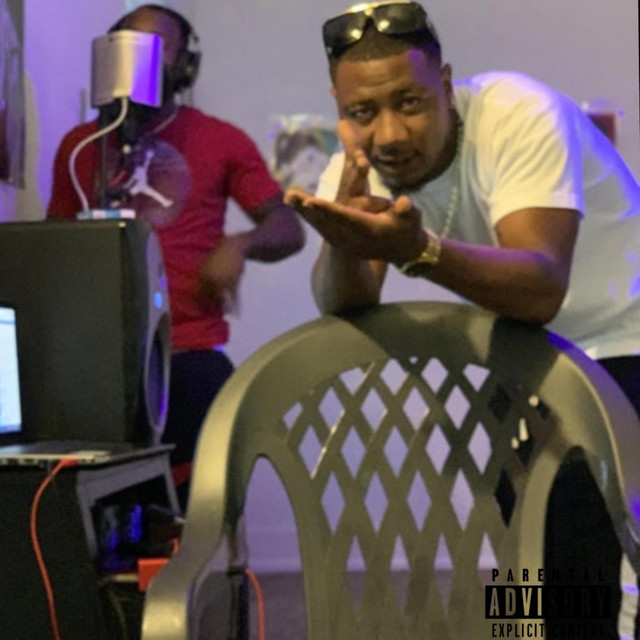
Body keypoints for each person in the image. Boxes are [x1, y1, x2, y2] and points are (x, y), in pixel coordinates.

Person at [285, 1, 640, 638]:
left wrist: (418, 252)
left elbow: (541, 285)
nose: (390, 134)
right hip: (529, 364)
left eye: (410, 102)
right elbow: (344, 303)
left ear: (445, 85)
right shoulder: (360, 164)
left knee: (577, 555)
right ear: (340, 107)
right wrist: (344, 240)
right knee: (520, 561)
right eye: (363, 112)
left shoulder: (519, 113)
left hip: (624, 344)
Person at [47, 4, 305, 509]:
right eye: (130, 43)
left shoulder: (220, 139)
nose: (141, 58)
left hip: (188, 360)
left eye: (158, 47)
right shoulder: (80, 148)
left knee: (191, 518)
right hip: (98, 365)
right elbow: (55, 247)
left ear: (185, 66)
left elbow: (288, 227)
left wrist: (240, 244)